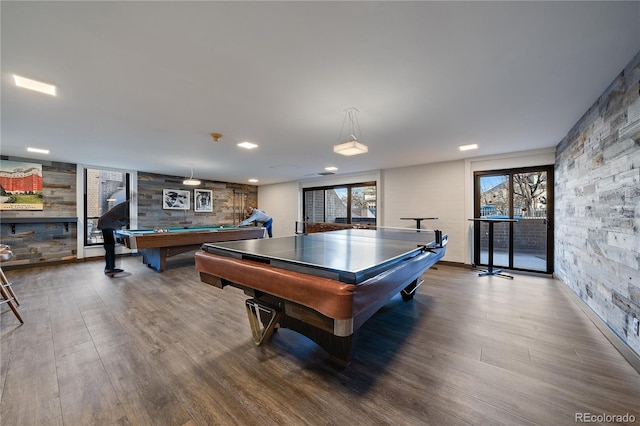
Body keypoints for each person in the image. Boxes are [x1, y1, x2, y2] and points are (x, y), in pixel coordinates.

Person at [97, 200, 130, 275]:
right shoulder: (128, 205)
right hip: (106, 223)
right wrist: (128, 219)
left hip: (105, 222)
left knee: (109, 246)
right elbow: (119, 216)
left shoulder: (125, 205)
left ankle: (109, 267)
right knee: (110, 246)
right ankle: (110, 268)